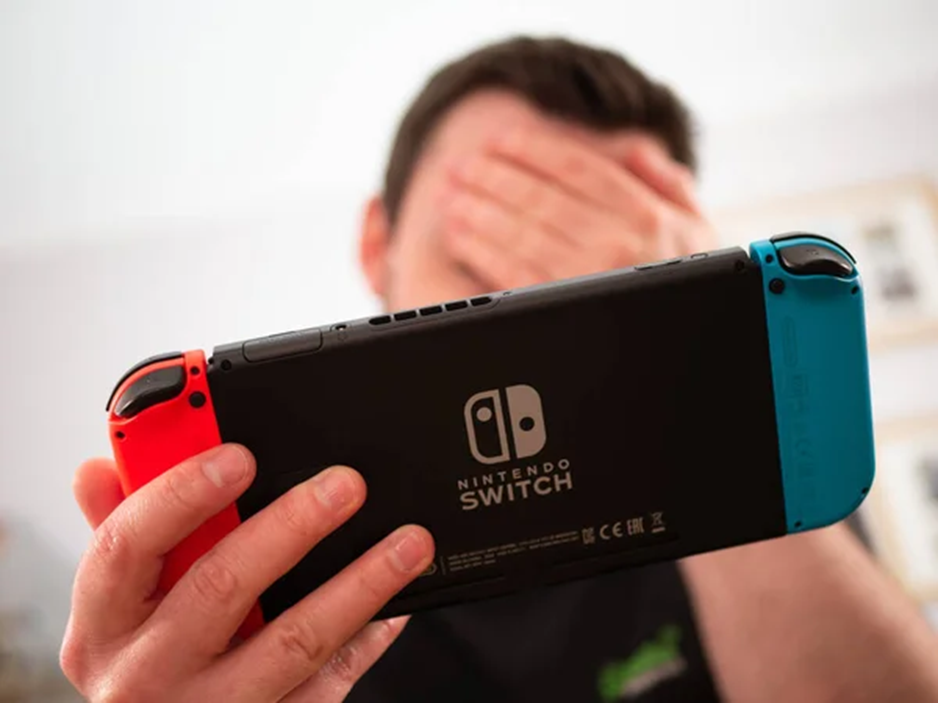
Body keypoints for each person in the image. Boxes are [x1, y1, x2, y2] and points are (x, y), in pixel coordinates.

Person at [61, 36, 938, 703]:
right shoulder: (257, 572)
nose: (536, 349)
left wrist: (703, 352)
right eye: (488, 265)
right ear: (378, 244)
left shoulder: (764, 475)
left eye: (604, 295)